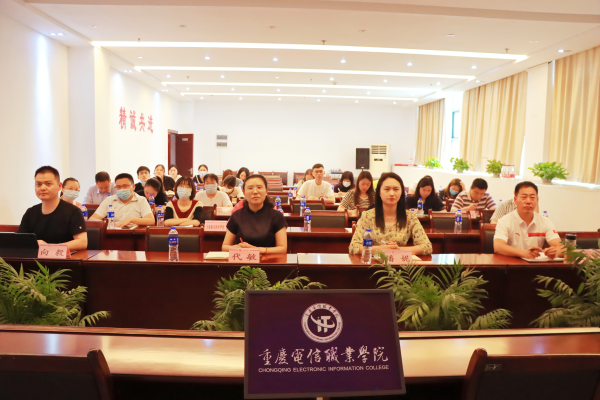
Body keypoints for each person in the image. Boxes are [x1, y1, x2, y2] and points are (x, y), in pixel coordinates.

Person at [349, 172, 432, 255]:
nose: (392, 194)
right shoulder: (367, 216)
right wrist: (380, 249)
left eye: (396, 189)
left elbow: (427, 246)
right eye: (387, 189)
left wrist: (398, 250)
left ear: (401, 192)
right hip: (374, 262)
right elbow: (353, 247)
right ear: (379, 192)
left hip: (400, 261)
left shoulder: (410, 217)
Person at [18, 166, 87, 250]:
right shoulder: (30, 212)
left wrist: (50, 248)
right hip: (36, 257)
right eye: (38, 184)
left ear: (59, 186)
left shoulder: (73, 211)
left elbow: (82, 242)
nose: (42, 188)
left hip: (64, 257)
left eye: (48, 184)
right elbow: (20, 240)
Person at [494, 182, 562, 259]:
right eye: (524, 197)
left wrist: (555, 252)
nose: (528, 201)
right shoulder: (504, 221)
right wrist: (523, 253)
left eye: (532, 197)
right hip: (511, 263)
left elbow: (561, 247)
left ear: (537, 200)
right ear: (515, 200)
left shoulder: (545, 221)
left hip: (536, 264)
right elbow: (498, 246)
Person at [222, 174, 287, 254]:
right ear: (244, 192)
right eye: (250, 188)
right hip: (243, 260)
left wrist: (255, 250)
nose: (255, 192)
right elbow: (225, 247)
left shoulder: (277, 216)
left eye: (259, 187)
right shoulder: (236, 216)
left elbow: (282, 249)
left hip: (268, 260)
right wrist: (237, 248)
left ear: (266, 191)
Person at [89, 173, 155, 227]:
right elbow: (92, 219)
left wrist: (131, 220)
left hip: (134, 235)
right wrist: (106, 223)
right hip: (112, 233)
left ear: (133, 186)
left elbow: (151, 221)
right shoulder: (109, 200)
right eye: (118, 187)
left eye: (125, 186)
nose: (121, 189)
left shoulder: (141, 200)